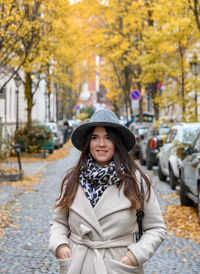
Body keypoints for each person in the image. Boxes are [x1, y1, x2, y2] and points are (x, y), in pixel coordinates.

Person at [49, 109, 167, 274]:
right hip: (78, 265)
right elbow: (59, 222)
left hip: (119, 266)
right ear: (88, 143)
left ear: (117, 142)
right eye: (95, 138)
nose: (101, 144)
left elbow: (156, 228)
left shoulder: (136, 180)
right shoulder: (73, 179)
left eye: (108, 138)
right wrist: (60, 246)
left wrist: (134, 256)